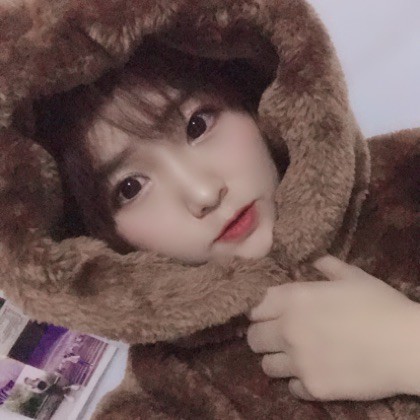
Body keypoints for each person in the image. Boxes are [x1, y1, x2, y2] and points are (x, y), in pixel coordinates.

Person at [36, 40, 419, 403]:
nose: (204, 193)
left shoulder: (409, 178)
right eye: (131, 187)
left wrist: (403, 346)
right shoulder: (167, 399)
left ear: (254, 100)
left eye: (198, 125)